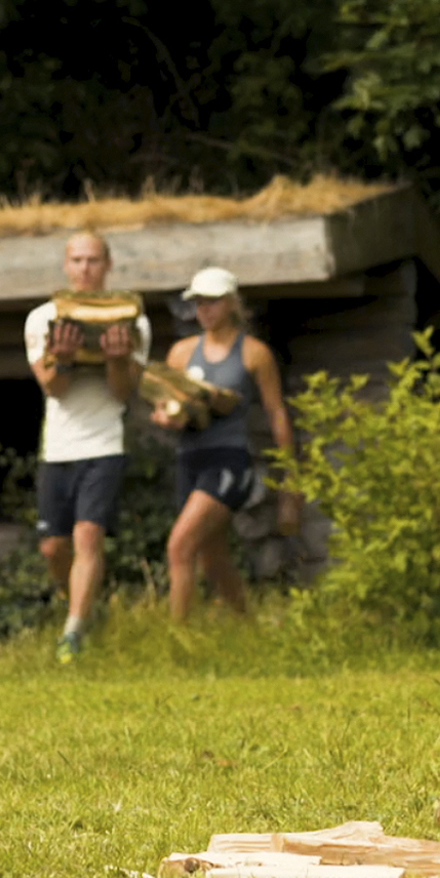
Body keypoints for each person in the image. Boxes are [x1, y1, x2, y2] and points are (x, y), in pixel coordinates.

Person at [24, 232, 152, 663]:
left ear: (108, 264)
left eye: (93, 260)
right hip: (57, 448)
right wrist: (62, 357)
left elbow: (121, 394)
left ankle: (73, 634)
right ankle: (82, 609)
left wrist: (116, 359)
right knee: (53, 549)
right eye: (77, 260)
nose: (85, 269)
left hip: (104, 442)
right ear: (65, 264)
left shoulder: (135, 320)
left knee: (88, 536)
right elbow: (54, 388)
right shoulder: (41, 319)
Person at [149, 266, 296, 622]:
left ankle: (177, 640)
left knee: (180, 545)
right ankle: (247, 629)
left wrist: (291, 485)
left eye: (212, 302)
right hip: (189, 457)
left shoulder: (254, 353)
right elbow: (162, 407)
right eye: (198, 303)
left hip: (228, 459)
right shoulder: (182, 353)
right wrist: (168, 417)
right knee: (210, 555)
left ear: (231, 303)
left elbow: (277, 414)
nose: (205, 310)